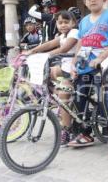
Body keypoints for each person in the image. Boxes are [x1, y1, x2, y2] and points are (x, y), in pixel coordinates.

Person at [69, 0, 108, 158]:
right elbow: (80, 43)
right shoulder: (84, 21)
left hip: (107, 64)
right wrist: (73, 63)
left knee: (106, 97)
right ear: (85, 2)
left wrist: (101, 57)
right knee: (79, 97)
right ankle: (86, 133)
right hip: (85, 66)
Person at [25, 10, 79, 147]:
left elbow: (64, 49)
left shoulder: (74, 33)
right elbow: (48, 44)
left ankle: (67, 130)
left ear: (73, 23)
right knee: (44, 76)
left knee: (63, 96)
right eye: (60, 22)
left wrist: (44, 55)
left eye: (66, 22)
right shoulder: (62, 35)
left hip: (73, 70)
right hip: (64, 69)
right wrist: (32, 51)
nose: (63, 25)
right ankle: (52, 98)